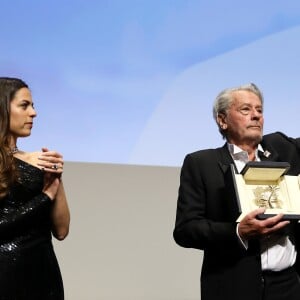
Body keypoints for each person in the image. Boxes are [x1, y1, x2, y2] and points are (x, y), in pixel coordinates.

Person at [173, 83, 300, 300]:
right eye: (245, 110)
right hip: (234, 286)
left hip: (288, 286)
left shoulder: (283, 149)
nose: (256, 116)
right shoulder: (201, 163)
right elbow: (186, 230)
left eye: (259, 110)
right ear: (222, 120)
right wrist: (239, 231)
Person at [0, 77, 70, 299]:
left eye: (33, 105)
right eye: (24, 105)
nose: (33, 113)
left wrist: (56, 180)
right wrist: (44, 197)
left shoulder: (38, 161)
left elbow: (61, 231)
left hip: (44, 274)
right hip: (5, 276)